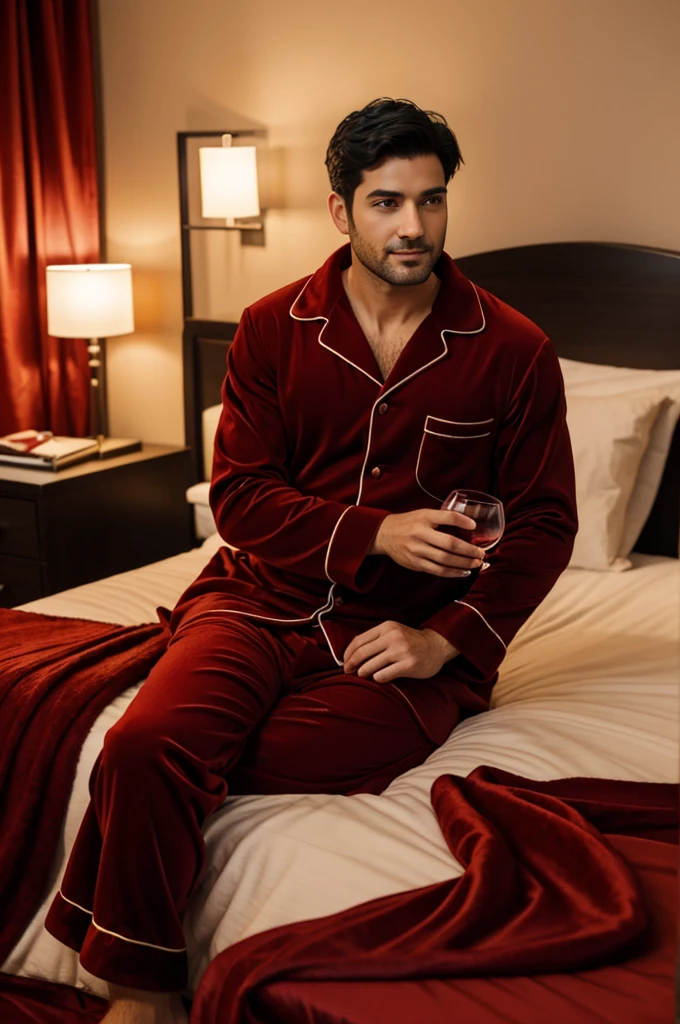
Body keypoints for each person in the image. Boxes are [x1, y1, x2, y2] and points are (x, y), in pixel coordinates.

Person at [45, 97, 578, 1023]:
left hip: (403, 635)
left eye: (431, 200)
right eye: (386, 202)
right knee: (141, 743)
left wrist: (447, 642)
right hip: (257, 601)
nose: (413, 226)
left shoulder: (515, 349)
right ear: (341, 210)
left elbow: (546, 523)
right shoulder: (268, 326)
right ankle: (140, 991)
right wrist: (374, 530)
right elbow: (240, 498)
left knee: (255, 754)